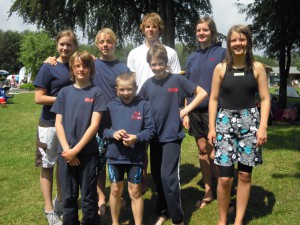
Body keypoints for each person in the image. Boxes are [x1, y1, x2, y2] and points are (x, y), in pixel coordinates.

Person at [138, 43, 208, 225]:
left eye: (160, 64)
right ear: (149, 65)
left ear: (166, 62)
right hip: (154, 137)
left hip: (172, 137)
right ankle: (164, 211)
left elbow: (202, 93)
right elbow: (138, 105)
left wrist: (185, 111)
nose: (157, 68)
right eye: (153, 64)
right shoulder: (147, 84)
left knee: (168, 178)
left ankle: (178, 218)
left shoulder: (177, 80)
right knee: (157, 177)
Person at [208, 24, 270, 225]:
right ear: (229, 43)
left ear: (248, 42)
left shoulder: (257, 68)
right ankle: (222, 219)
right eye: (234, 40)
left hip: (250, 124)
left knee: (244, 175)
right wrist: (211, 127)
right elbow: (213, 100)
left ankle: (238, 220)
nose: (238, 43)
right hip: (224, 124)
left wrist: (262, 127)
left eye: (242, 39)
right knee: (225, 178)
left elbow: (265, 99)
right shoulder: (221, 68)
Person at [127, 12, 181, 193]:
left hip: (165, 107)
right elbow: (132, 81)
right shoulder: (134, 53)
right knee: (141, 147)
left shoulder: (170, 53)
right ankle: (141, 182)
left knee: (164, 146)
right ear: (143, 29)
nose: (151, 30)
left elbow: (177, 81)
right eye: (147, 26)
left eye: (154, 27)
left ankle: (168, 184)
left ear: (160, 29)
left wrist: (182, 110)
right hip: (142, 105)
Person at [51, 50, 106, 225]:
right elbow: (58, 123)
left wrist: (76, 150)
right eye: (77, 66)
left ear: (91, 69)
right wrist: (68, 150)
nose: (81, 69)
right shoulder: (64, 92)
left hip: (88, 153)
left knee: (89, 198)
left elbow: (94, 125)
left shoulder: (97, 93)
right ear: (72, 69)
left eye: (85, 66)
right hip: (65, 153)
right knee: (69, 197)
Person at [34, 29, 78, 225]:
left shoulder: (77, 65)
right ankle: (49, 209)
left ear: (74, 46)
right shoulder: (48, 67)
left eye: (69, 44)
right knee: (47, 165)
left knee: (63, 165)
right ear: (57, 45)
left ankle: (60, 201)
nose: (65, 47)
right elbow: (39, 98)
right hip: (49, 124)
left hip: (69, 125)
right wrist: (64, 99)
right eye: (62, 44)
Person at [183, 17, 226, 209]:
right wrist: (185, 112)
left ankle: (225, 191)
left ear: (212, 32)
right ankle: (208, 191)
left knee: (214, 152)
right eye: (198, 30)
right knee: (202, 151)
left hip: (215, 110)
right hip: (195, 111)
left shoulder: (222, 53)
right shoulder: (191, 57)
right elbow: (187, 87)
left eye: (205, 30)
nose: (201, 33)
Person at [103, 72, 155, 225]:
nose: (126, 93)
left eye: (129, 89)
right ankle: (115, 222)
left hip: (135, 157)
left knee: (135, 191)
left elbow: (150, 130)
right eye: (122, 90)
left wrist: (136, 137)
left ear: (136, 88)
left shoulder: (144, 105)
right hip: (115, 156)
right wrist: (113, 133)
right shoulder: (110, 106)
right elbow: (102, 130)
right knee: (115, 190)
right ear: (116, 90)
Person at [93, 28, 131, 216]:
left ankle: (120, 194)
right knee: (99, 162)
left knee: (119, 160)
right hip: (97, 121)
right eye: (101, 42)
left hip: (119, 121)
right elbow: (71, 63)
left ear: (115, 43)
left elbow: (130, 94)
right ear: (97, 45)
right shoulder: (91, 65)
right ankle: (101, 198)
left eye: (109, 41)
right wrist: (51, 58)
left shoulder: (123, 69)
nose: (105, 44)